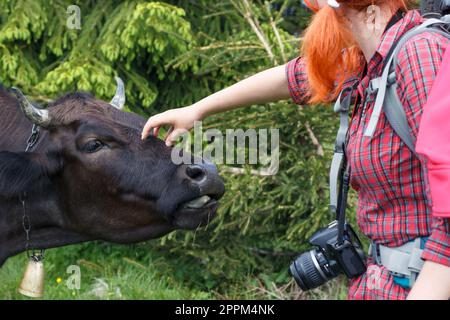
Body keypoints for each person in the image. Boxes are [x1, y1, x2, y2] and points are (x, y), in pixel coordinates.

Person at [141, 0, 450, 300]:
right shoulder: (369, 63)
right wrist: (198, 110)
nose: (324, 28)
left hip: (424, 282)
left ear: (370, 11)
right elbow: (296, 77)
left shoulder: (419, 55)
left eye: (336, 16)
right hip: (385, 281)